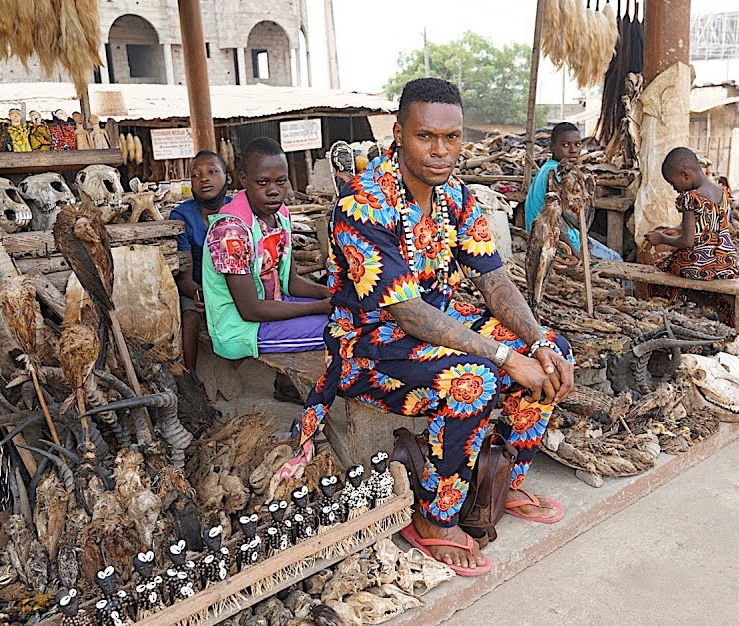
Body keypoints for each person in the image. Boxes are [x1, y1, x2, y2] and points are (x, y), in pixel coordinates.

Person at [279, 78, 576, 575]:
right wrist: (505, 357)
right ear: (398, 132)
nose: (441, 151)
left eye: (452, 137)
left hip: (438, 332)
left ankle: (501, 479)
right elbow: (407, 312)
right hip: (371, 347)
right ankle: (435, 519)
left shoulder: (455, 197)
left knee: (555, 349)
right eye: (425, 137)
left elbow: (496, 281)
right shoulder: (362, 203)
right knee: (473, 380)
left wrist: (539, 342)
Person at [201, 136, 331, 375]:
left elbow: (289, 282)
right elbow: (250, 310)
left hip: (274, 309)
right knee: (346, 329)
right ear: (244, 180)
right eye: (262, 182)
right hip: (243, 329)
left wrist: (328, 293)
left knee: (352, 313)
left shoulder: (281, 215)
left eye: (281, 182)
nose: (273, 191)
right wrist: (320, 307)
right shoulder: (230, 231)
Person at [642, 146, 739, 323]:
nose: (675, 189)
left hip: (701, 265)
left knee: (663, 270)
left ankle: (683, 315)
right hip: (727, 262)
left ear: (685, 175)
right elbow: (711, 227)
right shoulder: (722, 191)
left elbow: (687, 242)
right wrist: (677, 229)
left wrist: (661, 238)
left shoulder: (690, 198)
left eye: (674, 184)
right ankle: (718, 312)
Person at [168, 150, 234, 371]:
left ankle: (281, 380)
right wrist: (201, 295)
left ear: (228, 178)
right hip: (198, 290)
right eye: (196, 175)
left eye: (212, 172)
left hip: (237, 286)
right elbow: (185, 278)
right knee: (189, 317)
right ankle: (190, 376)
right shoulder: (181, 217)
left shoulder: (240, 211)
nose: (204, 178)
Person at [524, 122, 623, 262]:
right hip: (558, 245)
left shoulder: (547, 168)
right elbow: (556, 220)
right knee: (616, 259)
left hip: (550, 240)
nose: (573, 150)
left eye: (577, 144)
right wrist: (579, 255)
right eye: (566, 145)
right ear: (552, 147)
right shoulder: (558, 173)